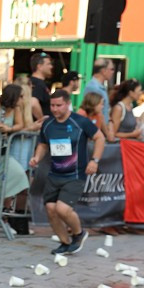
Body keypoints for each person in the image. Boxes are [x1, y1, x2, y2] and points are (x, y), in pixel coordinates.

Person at [29, 89, 106, 254]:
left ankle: (79, 233)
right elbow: (43, 144)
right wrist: (36, 157)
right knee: (50, 209)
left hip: (75, 175)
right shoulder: (48, 124)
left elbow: (100, 138)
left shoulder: (80, 121)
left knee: (62, 209)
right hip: (54, 174)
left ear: (68, 104)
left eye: (59, 105)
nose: (55, 109)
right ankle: (65, 243)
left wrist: (95, 160)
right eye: (52, 105)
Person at [84, 58, 115, 126]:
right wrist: (107, 132)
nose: (113, 72)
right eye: (112, 69)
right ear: (104, 71)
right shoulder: (93, 87)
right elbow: (97, 113)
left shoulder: (99, 87)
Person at [28, 52, 53, 116]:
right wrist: (42, 121)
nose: (51, 67)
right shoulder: (38, 84)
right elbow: (33, 103)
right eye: (48, 64)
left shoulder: (31, 82)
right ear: (39, 67)